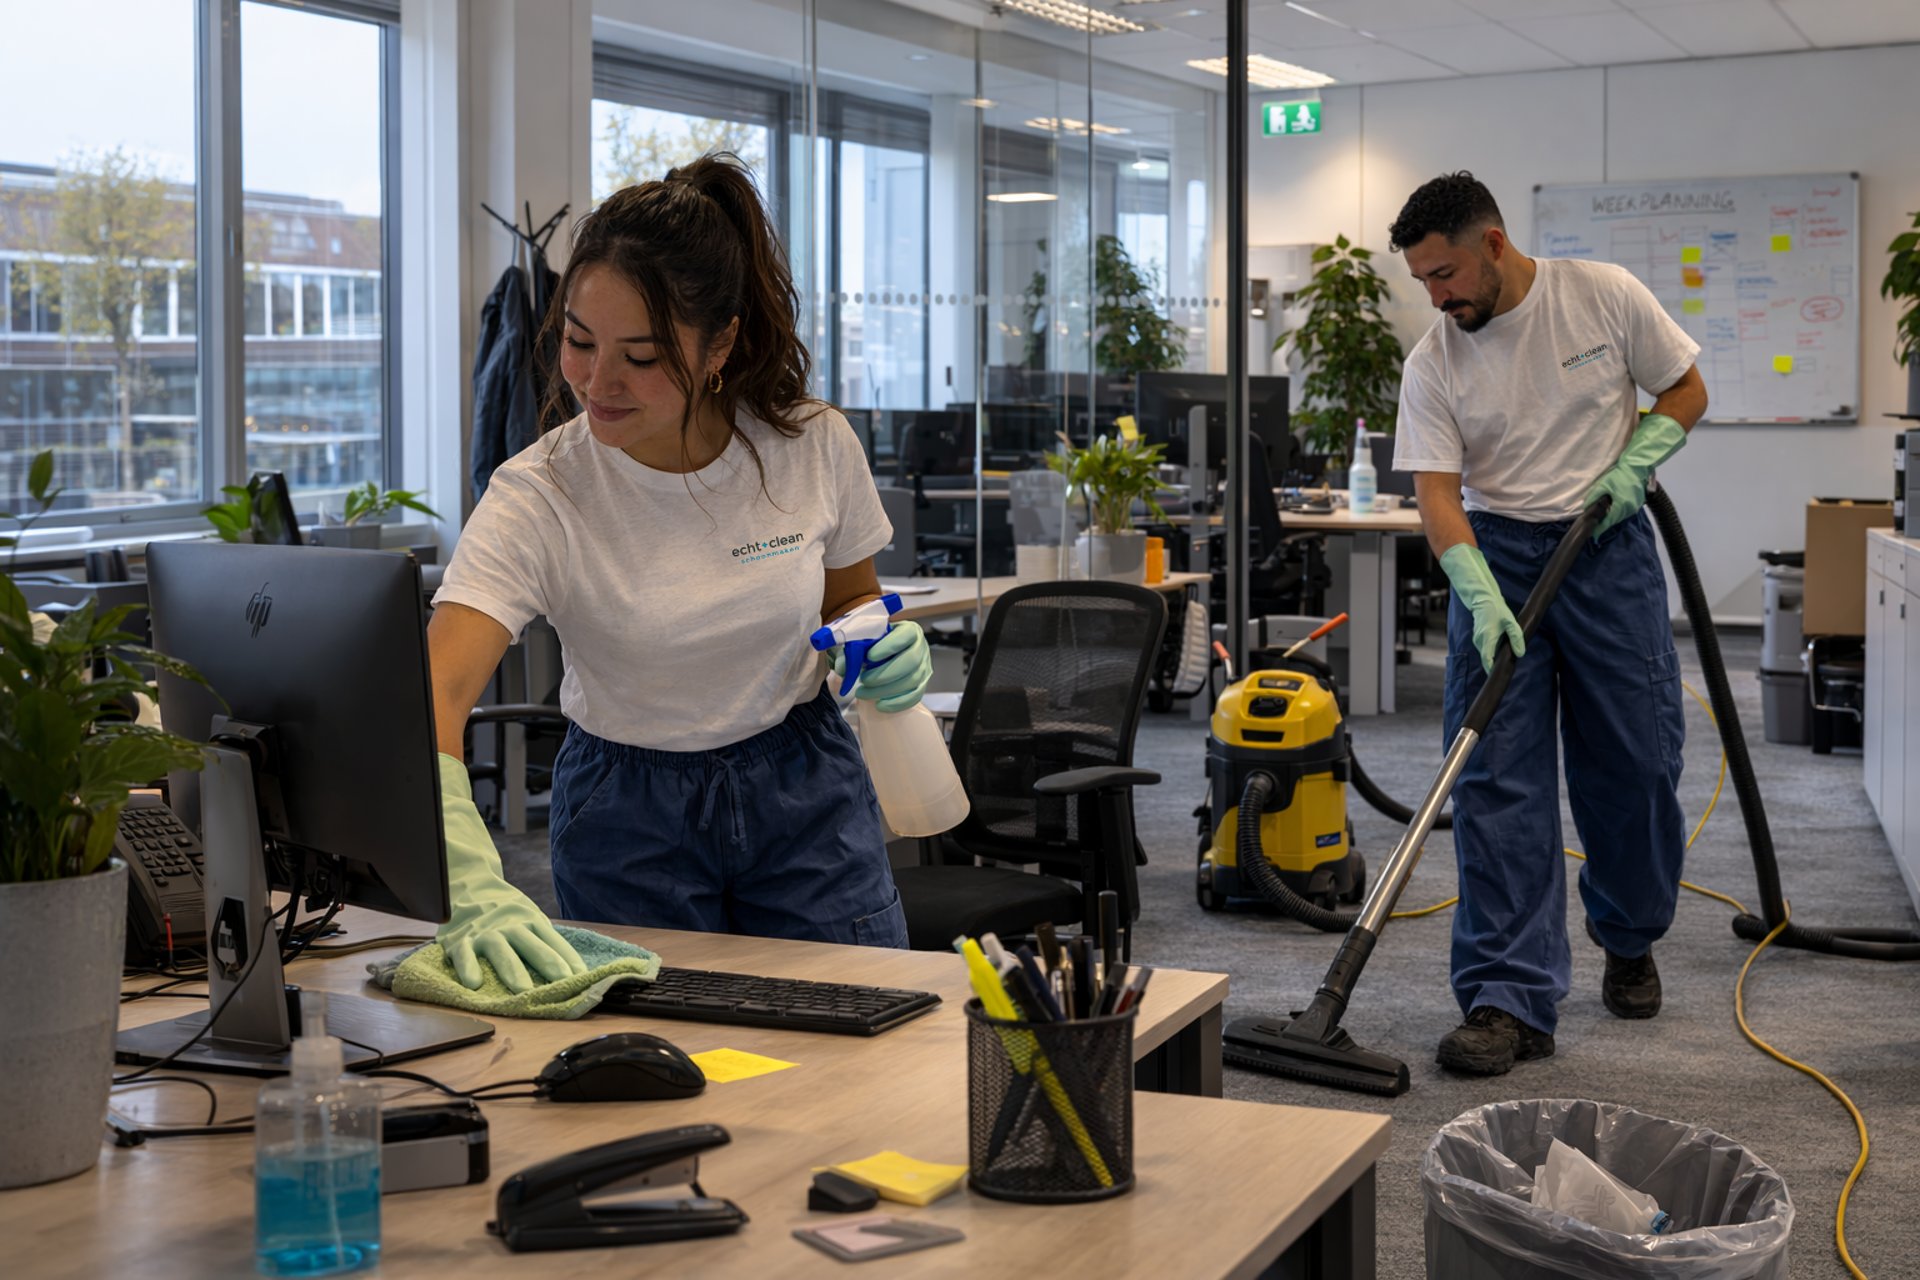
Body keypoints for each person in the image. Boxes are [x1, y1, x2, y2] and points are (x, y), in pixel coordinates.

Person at [426, 153, 930, 993]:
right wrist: (466, 883)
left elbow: (854, 602)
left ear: (721, 342)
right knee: (666, 1055)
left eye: (643, 355)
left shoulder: (811, 445)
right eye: (579, 343)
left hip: (803, 785)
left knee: (861, 1027)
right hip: (627, 809)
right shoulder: (540, 492)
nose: (597, 381)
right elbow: (433, 697)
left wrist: (878, 645)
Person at [1388, 171, 1709, 1075]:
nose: (1437, 296)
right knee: (1494, 779)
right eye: (1422, 281)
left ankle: (1628, 928)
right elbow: (1438, 496)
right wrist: (1475, 591)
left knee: (1636, 762)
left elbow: (1685, 391)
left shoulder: (1600, 296)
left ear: (1493, 244)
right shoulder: (1435, 359)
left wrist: (1638, 459)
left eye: (1445, 273)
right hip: (1495, 556)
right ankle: (1506, 997)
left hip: (1604, 547)